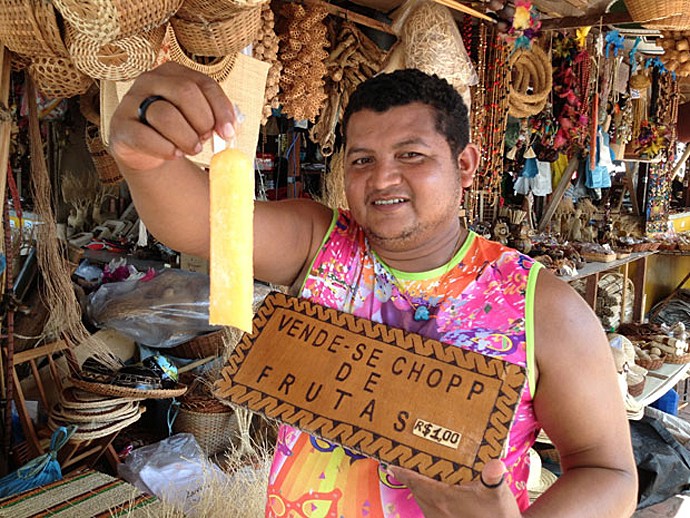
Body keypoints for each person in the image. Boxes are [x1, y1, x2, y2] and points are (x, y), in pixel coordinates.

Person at [109, 64, 637, 517]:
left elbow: (609, 470)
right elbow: (201, 225)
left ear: (466, 165)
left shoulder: (538, 305)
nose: (382, 179)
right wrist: (142, 155)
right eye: (362, 159)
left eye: (411, 155)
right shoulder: (320, 244)